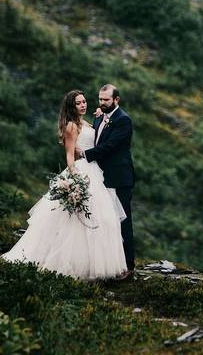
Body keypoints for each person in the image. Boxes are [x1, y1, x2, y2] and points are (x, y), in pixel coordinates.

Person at [1, 90, 128, 280]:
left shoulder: (86, 122)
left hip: (95, 170)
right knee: (74, 222)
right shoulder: (71, 126)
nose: (83, 105)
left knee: (103, 218)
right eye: (78, 103)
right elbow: (70, 155)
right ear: (71, 106)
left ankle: (94, 264)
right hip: (81, 170)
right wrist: (75, 176)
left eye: (84, 101)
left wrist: (101, 118)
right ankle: (69, 263)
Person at [77, 84, 137, 280]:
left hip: (120, 178)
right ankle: (111, 263)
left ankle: (128, 266)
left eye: (106, 100)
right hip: (102, 176)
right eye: (100, 99)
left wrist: (85, 155)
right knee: (106, 221)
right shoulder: (99, 116)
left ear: (116, 100)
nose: (102, 103)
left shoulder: (124, 120)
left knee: (123, 220)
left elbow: (110, 146)